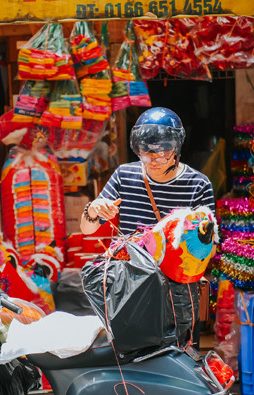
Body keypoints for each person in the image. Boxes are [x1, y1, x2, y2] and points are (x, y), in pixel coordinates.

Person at [80, 107, 215, 347]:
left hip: (178, 288)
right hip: (129, 284)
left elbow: (211, 248)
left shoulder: (198, 184)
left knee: (179, 354)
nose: (153, 161)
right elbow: (87, 229)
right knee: (131, 352)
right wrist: (94, 209)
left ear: (177, 149)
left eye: (162, 154)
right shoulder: (124, 175)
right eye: (145, 154)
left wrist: (188, 240)